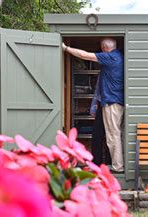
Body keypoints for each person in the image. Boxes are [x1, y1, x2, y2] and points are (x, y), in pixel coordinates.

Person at [62, 38, 124, 173]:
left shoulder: (111, 57)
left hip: (112, 102)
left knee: (113, 134)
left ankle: (118, 166)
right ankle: (112, 164)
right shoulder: (117, 56)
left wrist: (66, 48)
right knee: (111, 134)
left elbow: (85, 55)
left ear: (104, 48)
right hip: (111, 102)